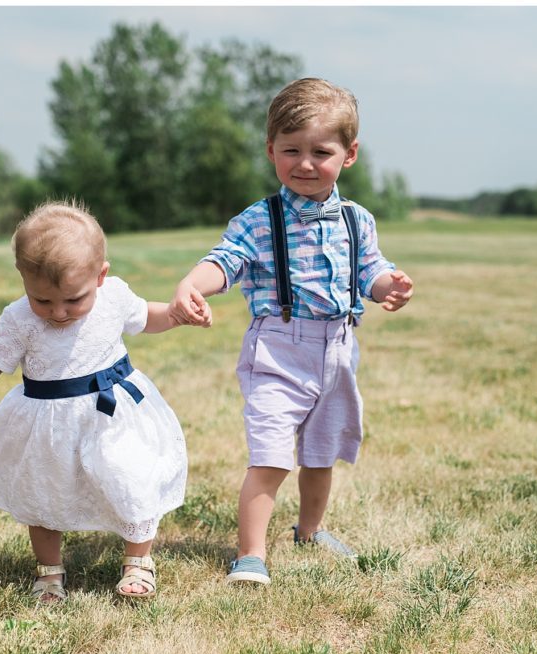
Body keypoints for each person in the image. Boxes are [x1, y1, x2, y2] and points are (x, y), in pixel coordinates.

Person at [170, 77, 414, 585]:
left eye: (320, 151)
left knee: (322, 453)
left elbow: (369, 269)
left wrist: (388, 284)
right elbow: (226, 261)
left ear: (348, 155)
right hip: (279, 350)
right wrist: (194, 284)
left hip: (338, 351)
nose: (305, 163)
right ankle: (251, 554)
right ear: (271, 151)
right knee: (271, 455)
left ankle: (310, 530)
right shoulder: (260, 220)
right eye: (291, 150)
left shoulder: (357, 219)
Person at [0, 200, 209, 601]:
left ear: (101, 276)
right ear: (24, 280)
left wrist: (174, 314)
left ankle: (137, 561)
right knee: (44, 493)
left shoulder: (113, 297)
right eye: (42, 300)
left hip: (112, 414)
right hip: (48, 424)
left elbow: (146, 318)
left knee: (131, 478)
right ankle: (49, 571)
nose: (58, 313)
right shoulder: (19, 319)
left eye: (72, 300)